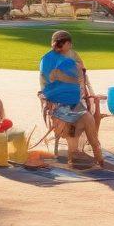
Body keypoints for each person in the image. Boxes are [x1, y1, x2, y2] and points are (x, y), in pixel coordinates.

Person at [38, 30, 104, 167]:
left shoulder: (73, 56)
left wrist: (82, 89)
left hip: (75, 102)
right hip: (57, 104)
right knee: (71, 123)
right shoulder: (48, 60)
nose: (71, 46)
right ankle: (73, 155)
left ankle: (97, 154)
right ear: (66, 43)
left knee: (88, 118)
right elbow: (46, 86)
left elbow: (82, 79)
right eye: (69, 43)